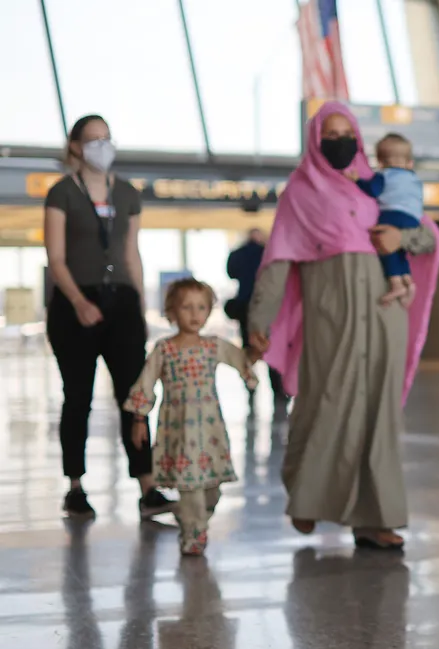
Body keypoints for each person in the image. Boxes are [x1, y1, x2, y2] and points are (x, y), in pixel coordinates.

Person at [245, 101, 418, 551]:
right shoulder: (300, 194)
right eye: (330, 135)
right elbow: (278, 262)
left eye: (347, 135)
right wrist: (258, 321)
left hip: (384, 314)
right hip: (331, 315)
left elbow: (420, 230)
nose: (340, 143)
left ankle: (375, 519)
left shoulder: (375, 186)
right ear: (315, 140)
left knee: (379, 414)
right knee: (326, 402)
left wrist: (403, 237)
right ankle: (307, 494)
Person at [44, 113, 175, 519]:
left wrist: (139, 303)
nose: (102, 146)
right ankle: (76, 486)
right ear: (76, 147)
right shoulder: (62, 193)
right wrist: (78, 302)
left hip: (121, 303)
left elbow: (131, 252)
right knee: (78, 396)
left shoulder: (128, 194)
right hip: (75, 303)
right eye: (93, 139)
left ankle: (147, 485)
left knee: (133, 398)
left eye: (107, 138)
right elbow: (56, 257)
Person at [124, 279, 256, 555]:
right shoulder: (164, 349)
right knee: (190, 485)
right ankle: (193, 534)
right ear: (172, 312)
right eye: (187, 307)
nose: (195, 314)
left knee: (212, 490)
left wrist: (256, 355)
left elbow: (242, 360)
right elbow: (146, 384)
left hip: (210, 432)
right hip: (178, 431)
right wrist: (139, 420)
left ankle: (191, 518)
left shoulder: (212, 346)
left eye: (201, 308)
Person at [345, 133, 423, 307]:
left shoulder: (384, 175)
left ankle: (396, 283)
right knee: (400, 250)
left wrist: (357, 180)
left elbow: (373, 190)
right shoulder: (413, 178)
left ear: (381, 161)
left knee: (386, 245)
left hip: (392, 214)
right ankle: (408, 281)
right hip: (413, 218)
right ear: (409, 161)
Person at [226, 228, 286, 403]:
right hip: (270, 306)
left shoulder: (238, 254)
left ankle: (250, 385)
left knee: (249, 347)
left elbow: (231, 273)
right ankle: (278, 390)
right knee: (271, 346)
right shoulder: (269, 253)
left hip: (245, 306)